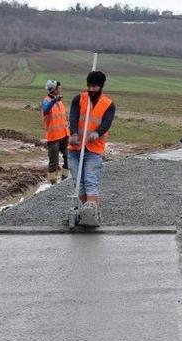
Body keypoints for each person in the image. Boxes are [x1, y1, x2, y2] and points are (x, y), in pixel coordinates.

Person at [67, 70, 116, 225]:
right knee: (79, 185)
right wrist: (73, 134)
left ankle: (93, 213)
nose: (91, 89)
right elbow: (73, 117)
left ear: (101, 86)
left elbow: (107, 123)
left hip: (94, 150)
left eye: (95, 86)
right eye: (89, 86)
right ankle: (89, 211)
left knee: (90, 182)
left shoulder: (108, 104)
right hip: (75, 149)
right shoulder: (79, 99)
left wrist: (97, 133)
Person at [41, 79, 69, 184]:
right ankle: (53, 185)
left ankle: (65, 181)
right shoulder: (46, 101)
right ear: (54, 89)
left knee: (68, 158)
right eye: (59, 88)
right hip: (54, 137)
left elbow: (64, 118)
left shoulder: (60, 102)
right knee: (54, 162)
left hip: (65, 135)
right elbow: (46, 110)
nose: (60, 89)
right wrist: (53, 101)